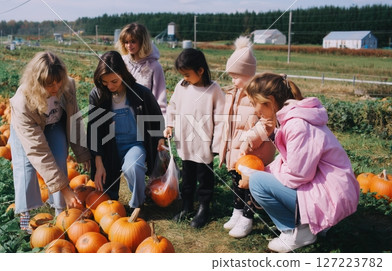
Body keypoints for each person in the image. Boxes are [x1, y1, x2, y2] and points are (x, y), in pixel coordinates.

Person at [245, 73, 360, 252]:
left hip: (331, 195)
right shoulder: (294, 120)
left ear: (270, 100)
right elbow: (288, 161)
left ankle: (295, 232)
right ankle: (312, 224)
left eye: (254, 103)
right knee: (260, 178)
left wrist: (255, 176)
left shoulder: (297, 125)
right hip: (331, 190)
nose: (254, 109)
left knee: (257, 183)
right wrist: (264, 171)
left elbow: (299, 174)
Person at [9, 51, 91, 233]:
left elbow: (74, 119)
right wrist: (66, 189)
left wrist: (82, 152)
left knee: (60, 159)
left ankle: (61, 212)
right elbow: (39, 151)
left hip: (54, 125)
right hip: (27, 131)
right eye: (49, 84)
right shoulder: (22, 102)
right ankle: (25, 215)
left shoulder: (68, 85)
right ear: (37, 83)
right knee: (26, 170)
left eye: (58, 81)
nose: (56, 87)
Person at [88, 50, 165, 209]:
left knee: (133, 167)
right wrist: (98, 162)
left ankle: (137, 205)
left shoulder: (141, 92)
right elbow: (94, 130)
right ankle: (116, 198)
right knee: (109, 199)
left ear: (123, 74)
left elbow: (156, 116)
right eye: (105, 82)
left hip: (134, 144)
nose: (109, 86)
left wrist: (160, 138)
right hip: (110, 146)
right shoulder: (97, 95)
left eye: (114, 81)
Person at [218, 36, 276, 238]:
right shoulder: (232, 93)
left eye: (236, 76)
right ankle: (237, 211)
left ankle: (248, 218)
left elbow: (268, 122)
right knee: (236, 181)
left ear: (249, 73)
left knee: (249, 184)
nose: (233, 80)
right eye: (231, 76)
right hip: (235, 150)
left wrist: (251, 139)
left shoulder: (258, 95)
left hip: (254, 151)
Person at [164, 48, 225, 228]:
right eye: (182, 74)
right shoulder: (182, 87)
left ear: (200, 71)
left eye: (188, 74)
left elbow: (221, 119)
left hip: (203, 143)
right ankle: (187, 206)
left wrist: (217, 144)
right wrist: (169, 125)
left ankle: (204, 208)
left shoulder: (213, 90)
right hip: (185, 141)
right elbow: (173, 106)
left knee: (204, 178)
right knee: (187, 177)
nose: (185, 78)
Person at [116, 23, 167, 116]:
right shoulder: (122, 62)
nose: (129, 45)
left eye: (133, 41)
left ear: (143, 42)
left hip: (145, 117)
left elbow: (160, 97)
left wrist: (161, 121)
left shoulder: (154, 66)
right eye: (126, 42)